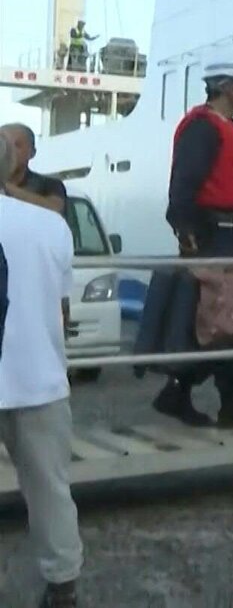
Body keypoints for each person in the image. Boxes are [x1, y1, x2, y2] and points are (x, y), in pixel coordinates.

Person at [157, 62, 233, 430]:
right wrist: (186, 230)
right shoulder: (203, 128)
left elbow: (221, 181)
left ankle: (187, 391)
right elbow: (185, 183)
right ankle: (226, 401)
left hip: (228, 233)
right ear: (227, 87)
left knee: (226, 320)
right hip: (214, 236)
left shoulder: (226, 129)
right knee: (229, 320)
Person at [0, 137, 83, 608]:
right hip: (38, 377)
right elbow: (61, 307)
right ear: (12, 167)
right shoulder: (50, 226)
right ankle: (63, 585)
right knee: (50, 489)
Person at [1, 123, 68, 215]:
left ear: (32, 153)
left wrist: (6, 187)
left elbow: (55, 209)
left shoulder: (49, 185)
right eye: (3, 146)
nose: (9, 152)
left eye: (17, 145)